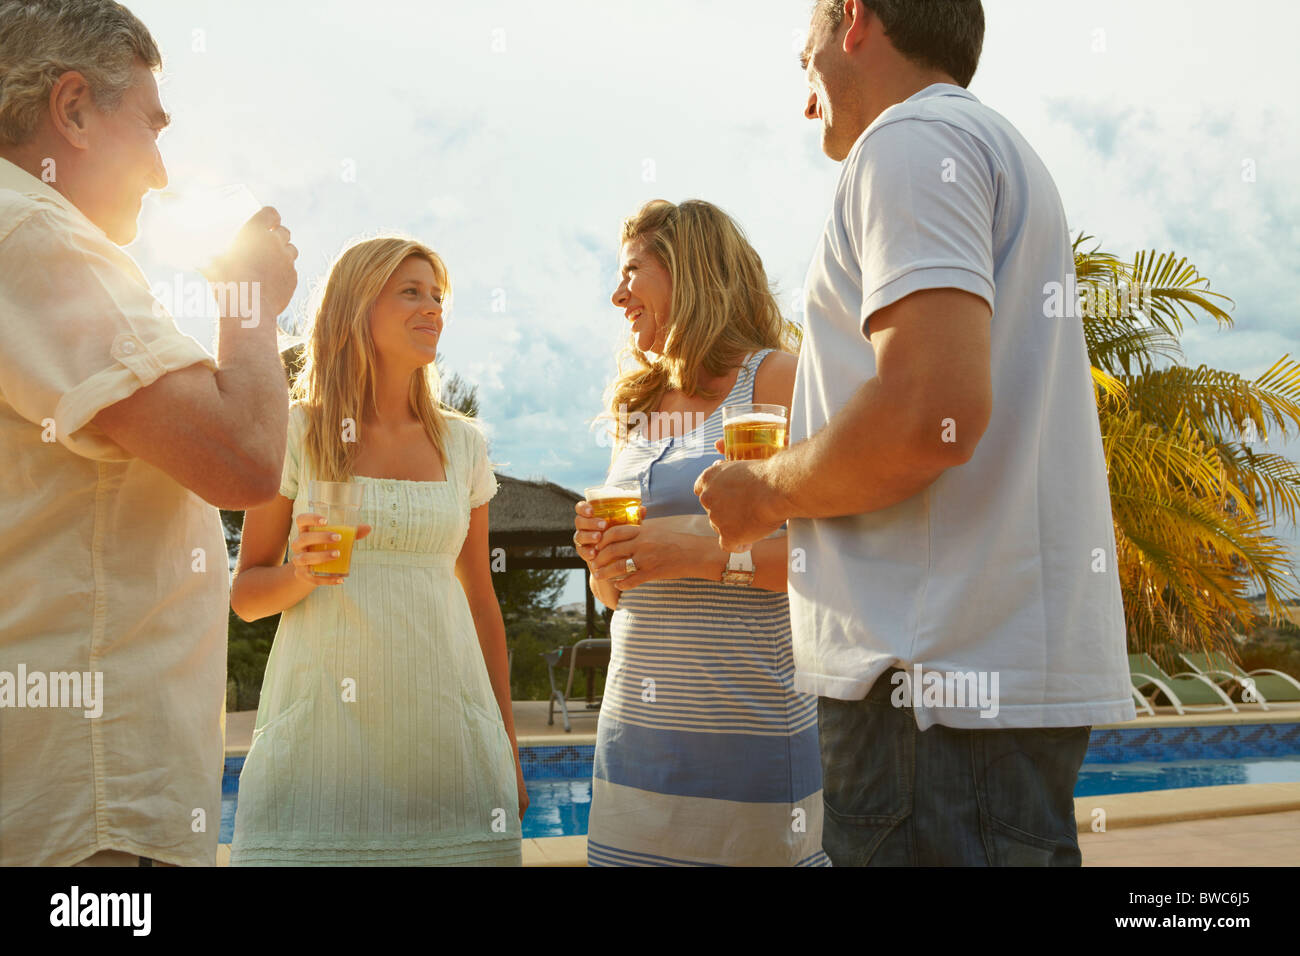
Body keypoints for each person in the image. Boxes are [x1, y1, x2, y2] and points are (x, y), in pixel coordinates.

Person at [697, 0, 1135, 866]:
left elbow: (926, 416)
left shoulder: (906, 145)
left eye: (804, 57)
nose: (805, 95)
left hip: (922, 690)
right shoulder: (990, 149)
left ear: (853, 19)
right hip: (971, 688)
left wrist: (762, 493)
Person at [0, 0, 297, 866]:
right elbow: (241, 456)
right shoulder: (37, 236)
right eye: (151, 124)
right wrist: (249, 298)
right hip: (92, 794)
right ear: (73, 109)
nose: (164, 171)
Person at [228, 236, 526, 866]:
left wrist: (507, 745)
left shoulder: (464, 445)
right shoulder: (297, 431)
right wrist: (301, 573)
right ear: (355, 307)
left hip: (451, 749)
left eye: (438, 296)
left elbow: (481, 605)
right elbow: (248, 596)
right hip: (321, 751)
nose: (433, 309)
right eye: (411, 292)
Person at [573, 199, 829, 866]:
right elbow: (618, 593)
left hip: (748, 735)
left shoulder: (776, 379)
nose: (617, 293)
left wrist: (697, 554)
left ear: (689, 271)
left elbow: (830, 558)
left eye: (632, 270)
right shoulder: (640, 407)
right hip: (634, 743)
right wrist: (604, 562)